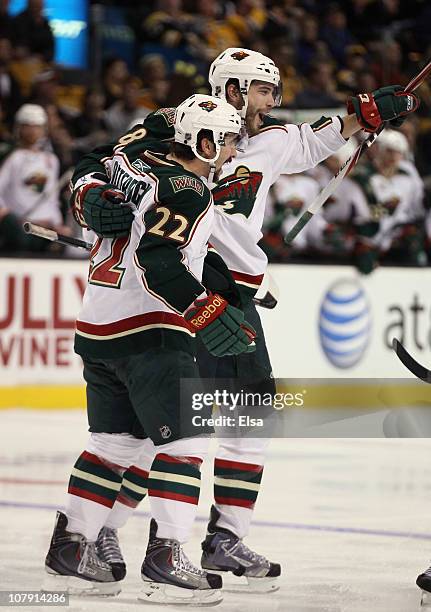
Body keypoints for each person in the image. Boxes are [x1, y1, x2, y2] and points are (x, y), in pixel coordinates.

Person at [70, 47, 419, 593]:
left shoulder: (271, 142)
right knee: (166, 426)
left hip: (232, 296)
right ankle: (117, 533)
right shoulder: (180, 128)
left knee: (240, 419)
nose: (272, 101)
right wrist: (90, 195)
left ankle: (211, 537)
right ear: (231, 89)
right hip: (189, 291)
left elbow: (318, 136)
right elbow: (100, 160)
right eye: (261, 89)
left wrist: (368, 113)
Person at [43, 94, 256, 605]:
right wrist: (204, 310)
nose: (231, 150)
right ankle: (166, 554)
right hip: (151, 329)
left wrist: (84, 198)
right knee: (186, 443)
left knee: (114, 445)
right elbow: (159, 261)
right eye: (226, 141)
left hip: (98, 325)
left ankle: (72, 544)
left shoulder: (133, 165)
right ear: (203, 141)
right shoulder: (187, 190)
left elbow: (91, 169)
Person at [0, 103, 69, 253]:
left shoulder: (51, 160)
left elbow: (52, 197)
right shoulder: (12, 156)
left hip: (43, 228)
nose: (32, 131)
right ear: (18, 128)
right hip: (19, 227)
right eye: (27, 126)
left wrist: (57, 223)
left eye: (36, 126)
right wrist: (6, 215)